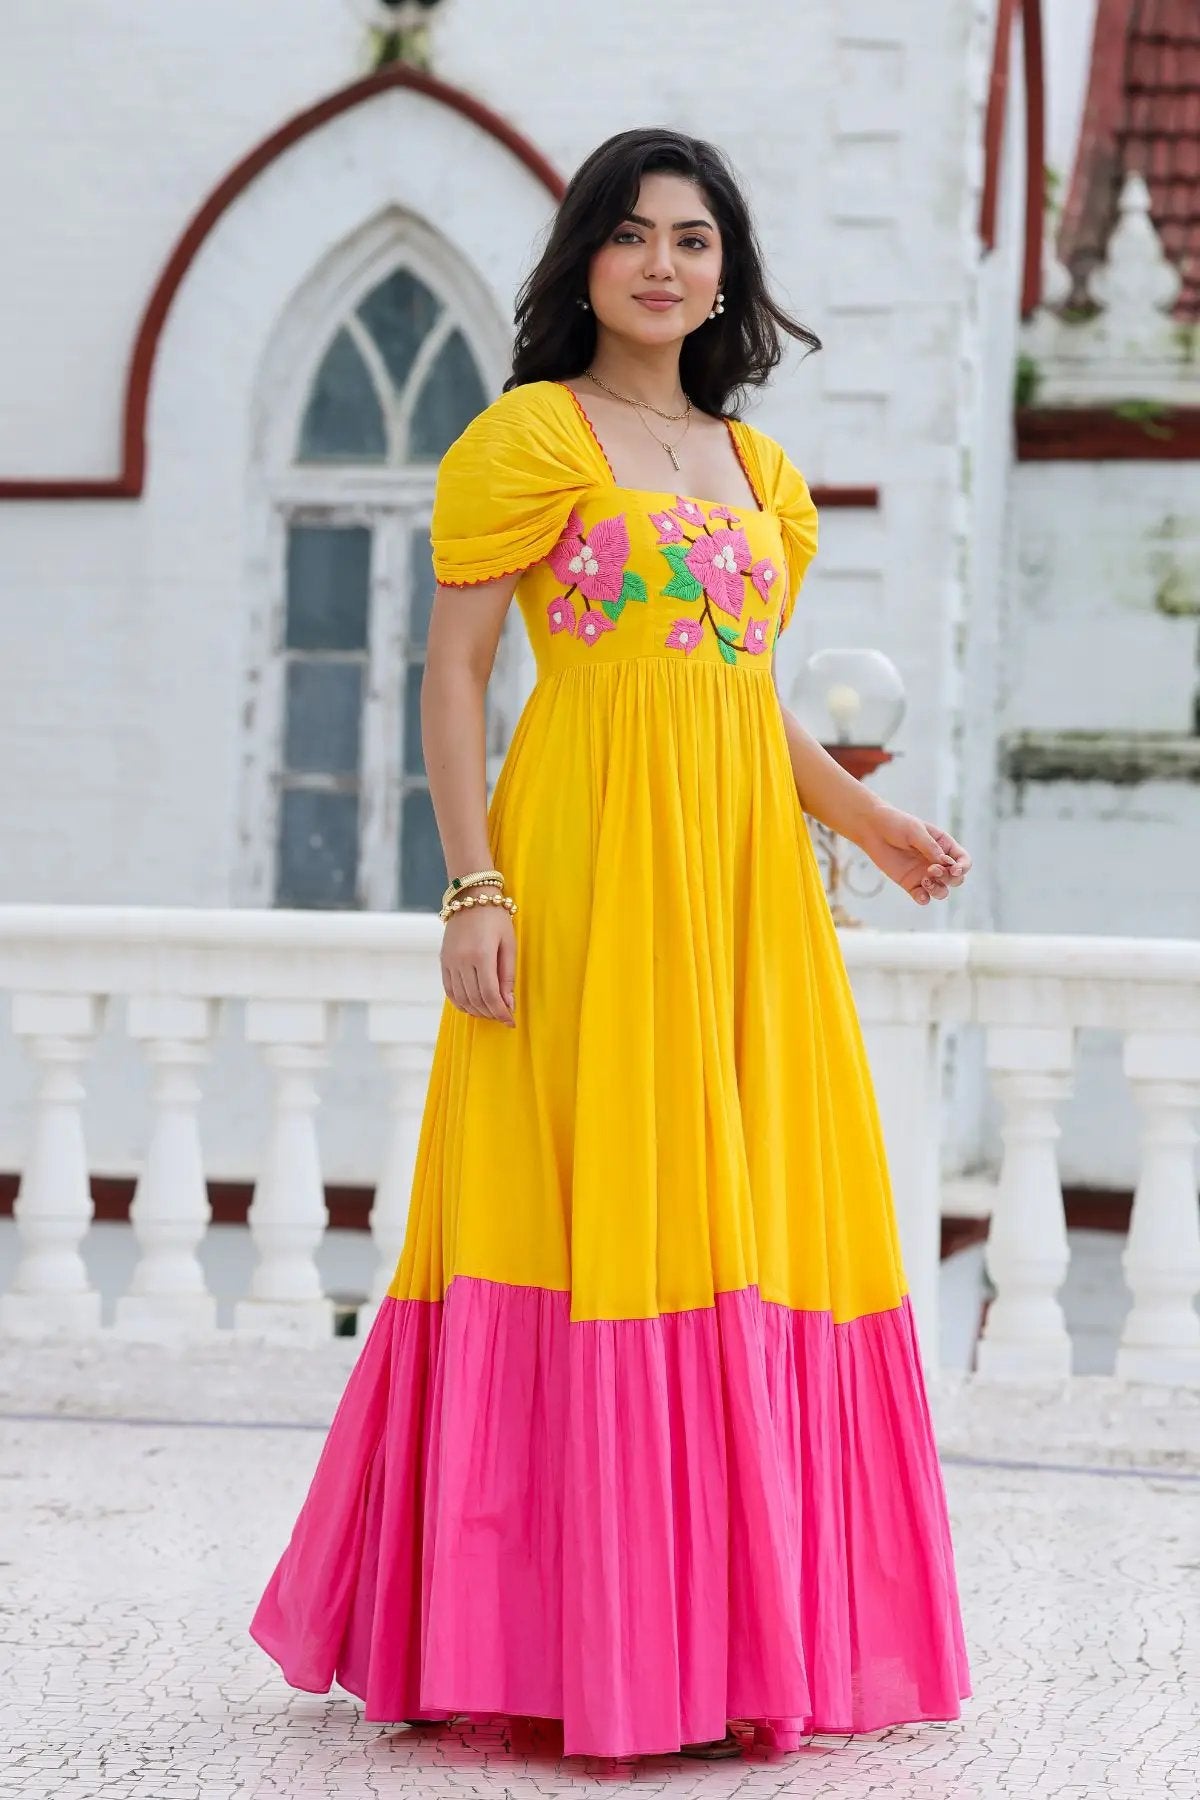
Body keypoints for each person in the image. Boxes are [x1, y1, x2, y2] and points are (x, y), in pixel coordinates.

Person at [250, 126, 973, 1763]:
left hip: (738, 892)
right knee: (585, 1204)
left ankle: (731, 1641)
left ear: (729, 270)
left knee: (748, 1208)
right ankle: (565, 1642)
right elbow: (453, 675)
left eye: (696, 239)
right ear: (584, 256)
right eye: (634, 234)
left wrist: (871, 827)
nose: (664, 263)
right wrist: (475, 886)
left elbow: (744, 697)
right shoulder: (529, 438)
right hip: (580, 866)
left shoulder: (757, 474)